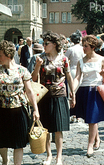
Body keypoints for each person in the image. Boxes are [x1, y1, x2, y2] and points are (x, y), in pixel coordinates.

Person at [0, 40, 39, 165]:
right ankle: (5, 160)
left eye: (0, 55)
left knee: (18, 143)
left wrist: (36, 109)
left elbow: (30, 91)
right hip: (2, 110)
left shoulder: (22, 71)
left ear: (8, 55)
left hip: (19, 110)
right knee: (1, 143)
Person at [32, 31, 75, 165]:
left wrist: (72, 94)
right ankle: (49, 156)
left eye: (46, 43)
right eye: (43, 43)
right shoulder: (40, 58)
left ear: (55, 44)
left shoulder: (63, 59)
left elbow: (69, 77)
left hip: (59, 96)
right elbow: (33, 79)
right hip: (44, 96)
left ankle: (59, 157)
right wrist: (37, 66)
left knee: (58, 128)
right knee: (46, 129)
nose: (43, 45)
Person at [71, 35, 104, 158]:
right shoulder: (81, 61)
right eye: (83, 45)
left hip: (96, 90)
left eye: (86, 46)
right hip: (84, 90)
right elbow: (78, 77)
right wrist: (72, 90)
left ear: (93, 47)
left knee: (92, 119)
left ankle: (90, 145)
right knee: (90, 118)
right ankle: (97, 139)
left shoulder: (102, 59)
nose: (83, 48)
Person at [65, 30, 85, 123]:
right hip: (82, 70)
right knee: (79, 92)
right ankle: (78, 115)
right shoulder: (82, 49)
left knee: (72, 92)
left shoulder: (70, 49)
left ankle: (72, 113)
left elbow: (64, 59)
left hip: (72, 70)